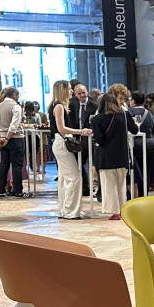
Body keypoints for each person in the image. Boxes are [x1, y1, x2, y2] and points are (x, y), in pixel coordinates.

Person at [91, 87, 138, 220]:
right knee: (121, 184)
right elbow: (134, 130)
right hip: (122, 155)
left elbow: (99, 139)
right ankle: (123, 209)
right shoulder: (124, 114)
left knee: (109, 185)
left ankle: (114, 211)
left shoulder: (97, 119)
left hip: (106, 157)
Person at [49, 80, 92, 220]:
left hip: (59, 143)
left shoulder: (55, 105)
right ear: (62, 90)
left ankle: (65, 209)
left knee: (64, 178)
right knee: (74, 177)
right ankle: (71, 211)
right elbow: (61, 129)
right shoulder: (59, 107)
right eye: (68, 89)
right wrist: (81, 131)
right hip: (62, 143)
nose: (71, 91)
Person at [0, 86, 25, 198]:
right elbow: (14, 125)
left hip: (1, 138)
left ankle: (1, 190)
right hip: (15, 138)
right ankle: (18, 190)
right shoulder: (16, 106)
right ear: (14, 95)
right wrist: (7, 138)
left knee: (3, 165)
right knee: (17, 165)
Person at [128, 90, 154, 199]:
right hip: (148, 143)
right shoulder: (149, 113)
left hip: (134, 143)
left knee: (135, 171)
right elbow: (153, 127)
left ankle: (135, 195)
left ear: (133, 101)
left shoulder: (129, 112)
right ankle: (145, 194)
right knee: (146, 170)